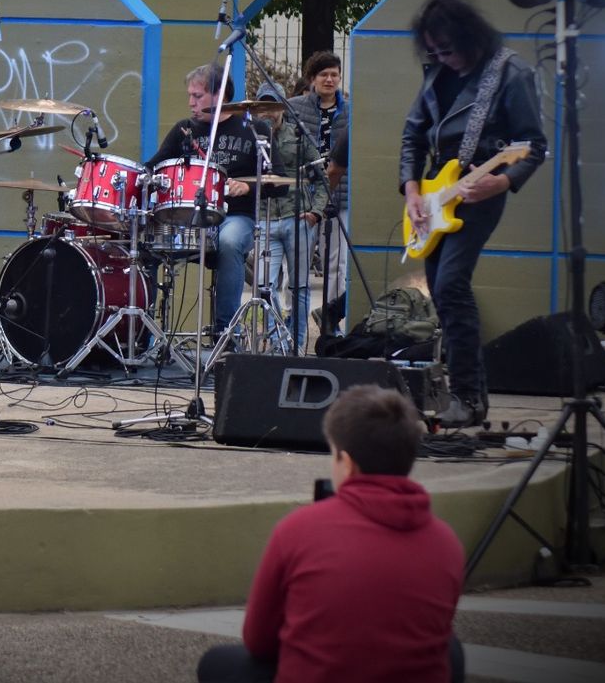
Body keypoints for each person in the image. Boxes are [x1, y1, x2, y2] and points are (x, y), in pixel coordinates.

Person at [196, 386, 466, 683]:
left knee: (217, 664)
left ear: (347, 464)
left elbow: (259, 640)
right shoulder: (446, 541)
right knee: (451, 649)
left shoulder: (299, 529)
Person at [400, 0, 547, 428]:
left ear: (470, 37)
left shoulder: (510, 73)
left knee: (451, 285)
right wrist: (411, 190)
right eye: (435, 51)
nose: (444, 58)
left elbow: (533, 146)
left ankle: (467, 394)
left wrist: (501, 181)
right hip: (434, 196)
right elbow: (413, 135)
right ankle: (466, 394)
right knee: (440, 293)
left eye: (449, 49)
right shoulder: (435, 75)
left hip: (480, 191)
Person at [148, 64, 276, 335]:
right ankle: (141, 330)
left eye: (198, 96)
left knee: (229, 242)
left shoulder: (254, 129)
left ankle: (226, 332)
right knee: (147, 243)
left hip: (236, 216)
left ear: (220, 96)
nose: (191, 103)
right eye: (190, 96)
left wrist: (249, 187)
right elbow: (154, 166)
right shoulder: (185, 130)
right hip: (190, 217)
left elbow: (280, 182)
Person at [255, 83, 328, 353]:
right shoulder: (253, 137)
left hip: (298, 218)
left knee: (299, 286)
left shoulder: (298, 134)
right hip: (265, 218)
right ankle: (278, 339)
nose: (267, 112)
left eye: (272, 105)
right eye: (262, 106)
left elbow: (321, 177)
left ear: (282, 106)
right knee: (265, 286)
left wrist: (315, 212)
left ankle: (296, 343)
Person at [286, 52, 349, 334]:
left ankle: (330, 320)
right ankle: (294, 319)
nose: (329, 79)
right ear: (312, 79)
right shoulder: (295, 107)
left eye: (334, 74)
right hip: (303, 196)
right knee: (298, 263)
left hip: (340, 196)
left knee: (337, 263)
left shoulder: (351, 111)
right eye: (323, 74)